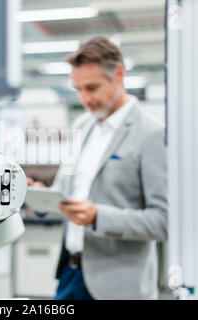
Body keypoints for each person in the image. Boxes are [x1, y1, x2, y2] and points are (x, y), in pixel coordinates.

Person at [27, 37, 167, 300]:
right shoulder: (81, 127)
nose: (85, 99)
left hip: (119, 286)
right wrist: (41, 196)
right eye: (78, 89)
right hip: (71, 274)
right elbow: (63, 193)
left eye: (92, 87)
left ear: (119, 75)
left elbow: (163, 221)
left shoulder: (151, 135)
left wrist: (98, 217)